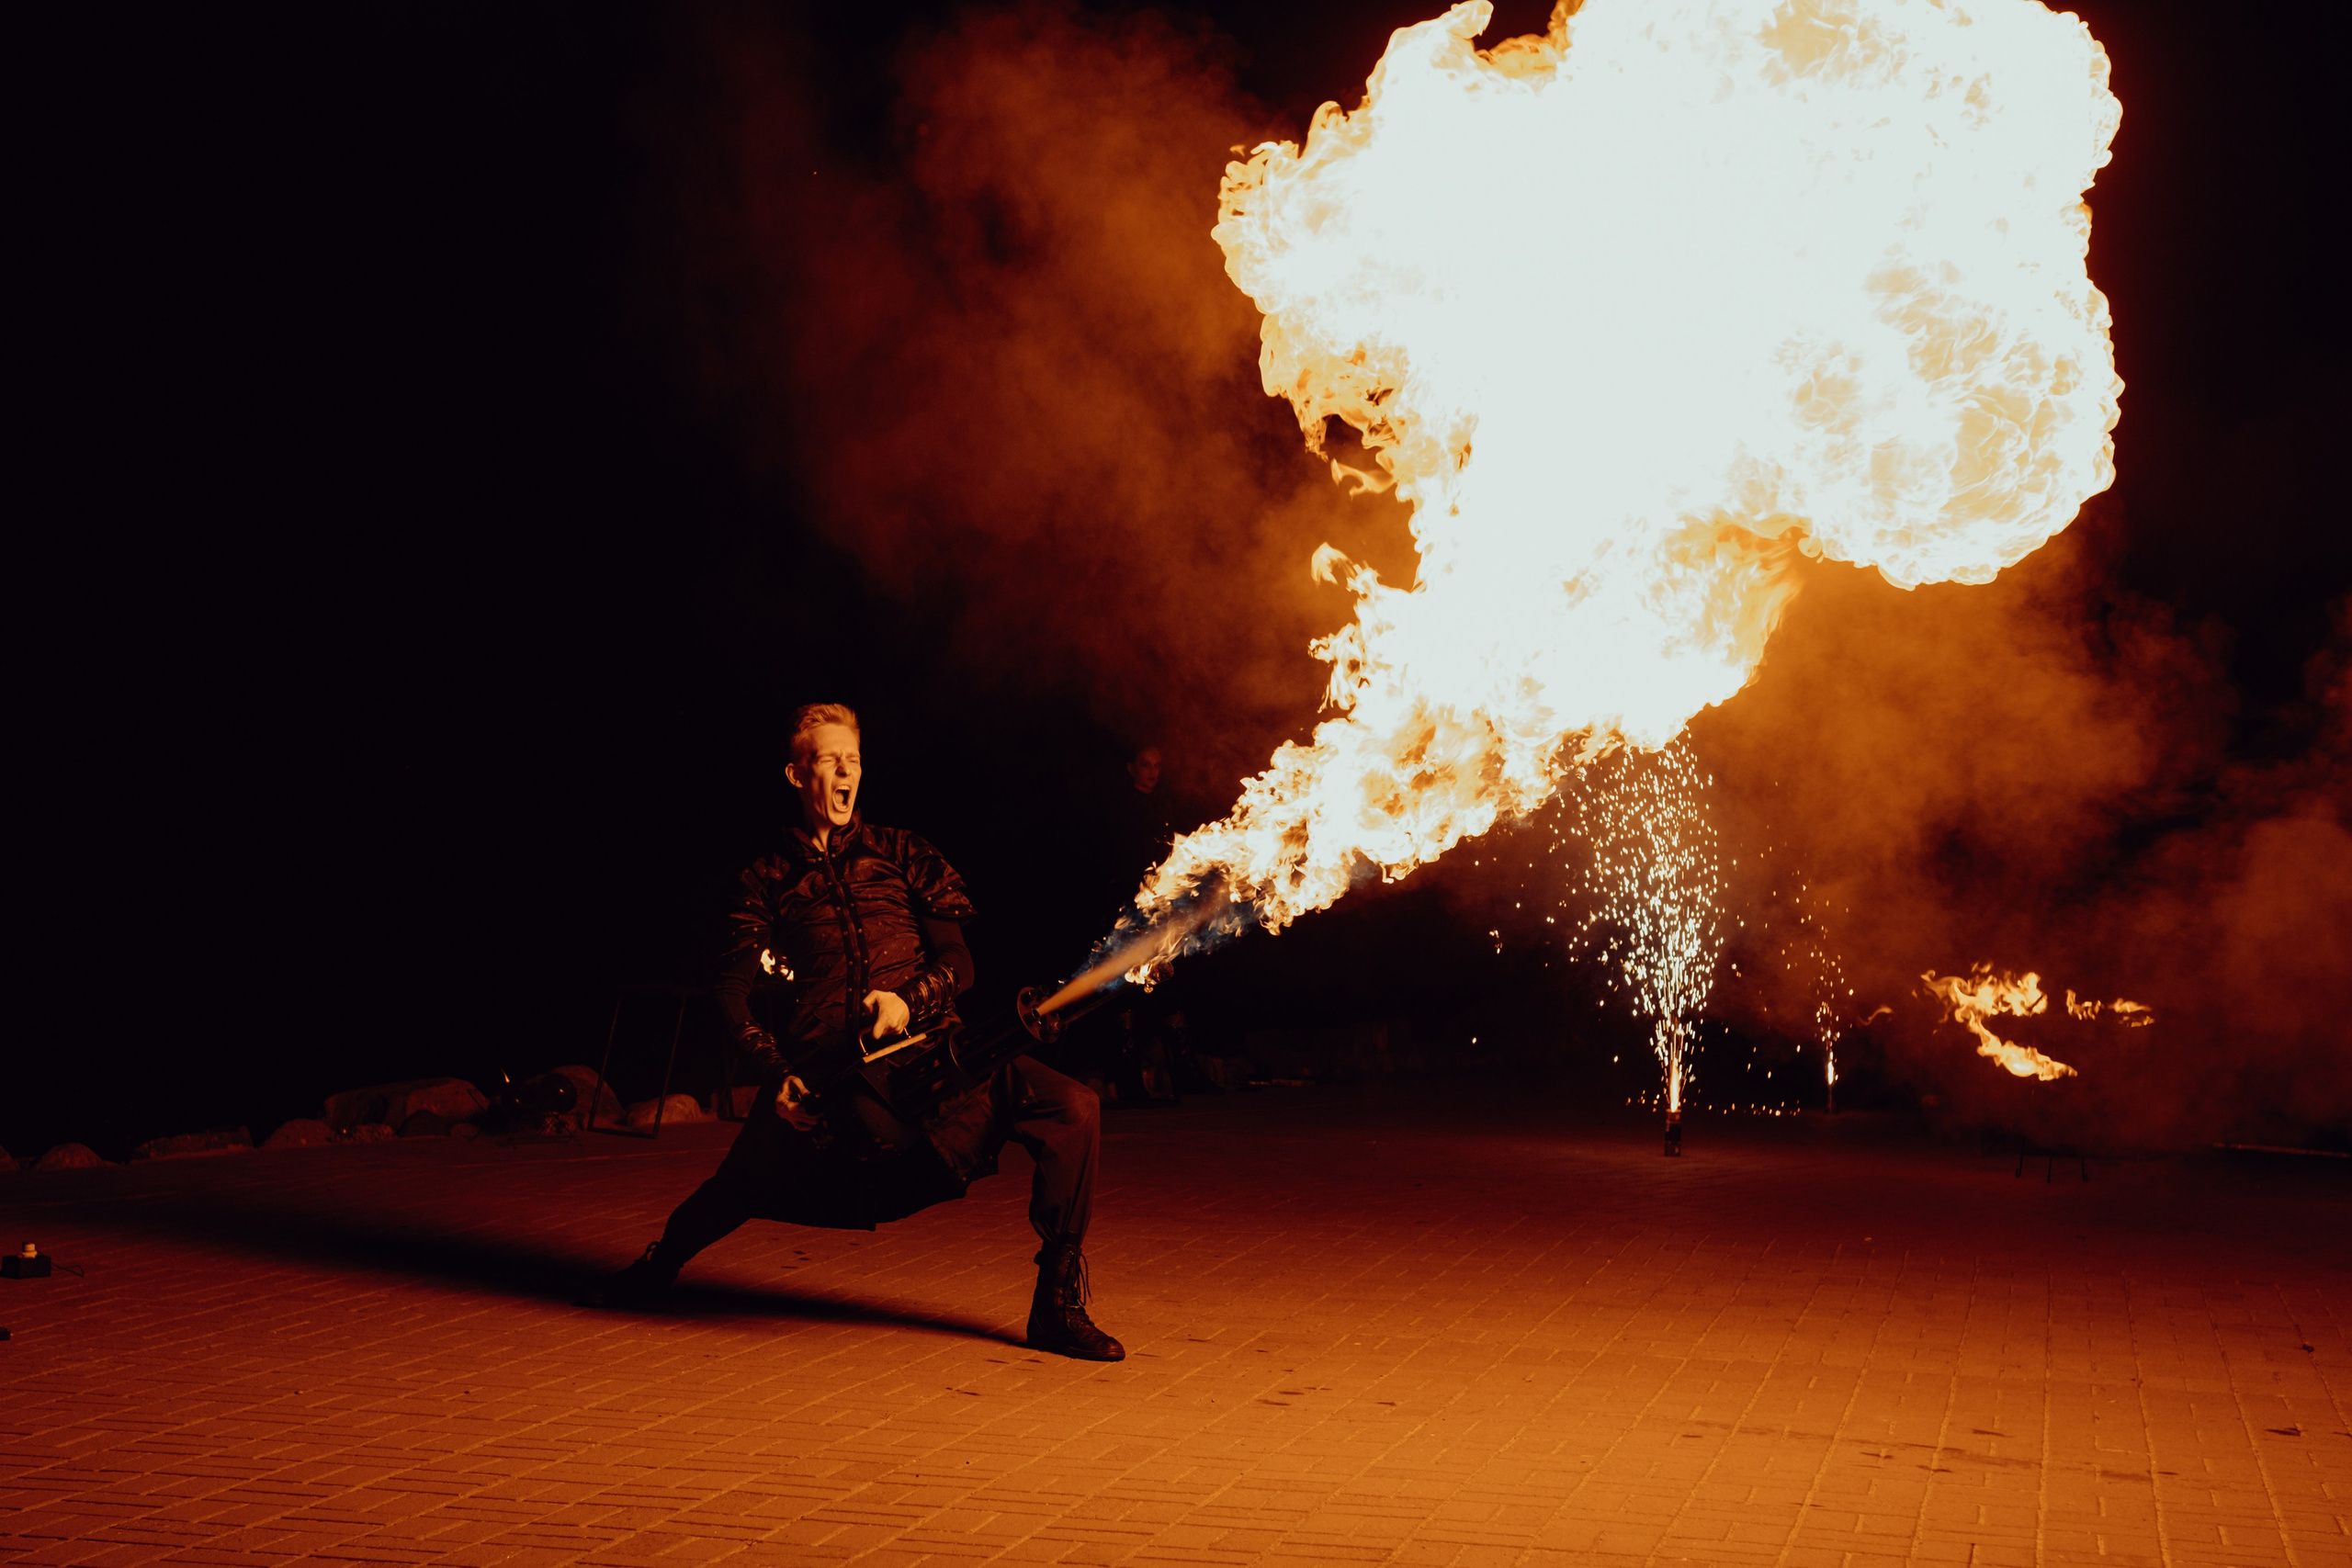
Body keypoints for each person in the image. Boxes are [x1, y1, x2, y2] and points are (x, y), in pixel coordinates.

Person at [582, 703, 1122, 1361]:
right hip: (834, 1077)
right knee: (740, 1185)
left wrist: (907, 1001)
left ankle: (1056, 1304)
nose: (846, 773)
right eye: (830, 760)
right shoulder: (764, 878)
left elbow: (961, 963)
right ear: (796, 773)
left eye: (854, 760)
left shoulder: (903, 852)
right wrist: (778, 1073)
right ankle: (658, 1267)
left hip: (937, 1053)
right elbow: (731, 991)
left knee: (1074, 1106)